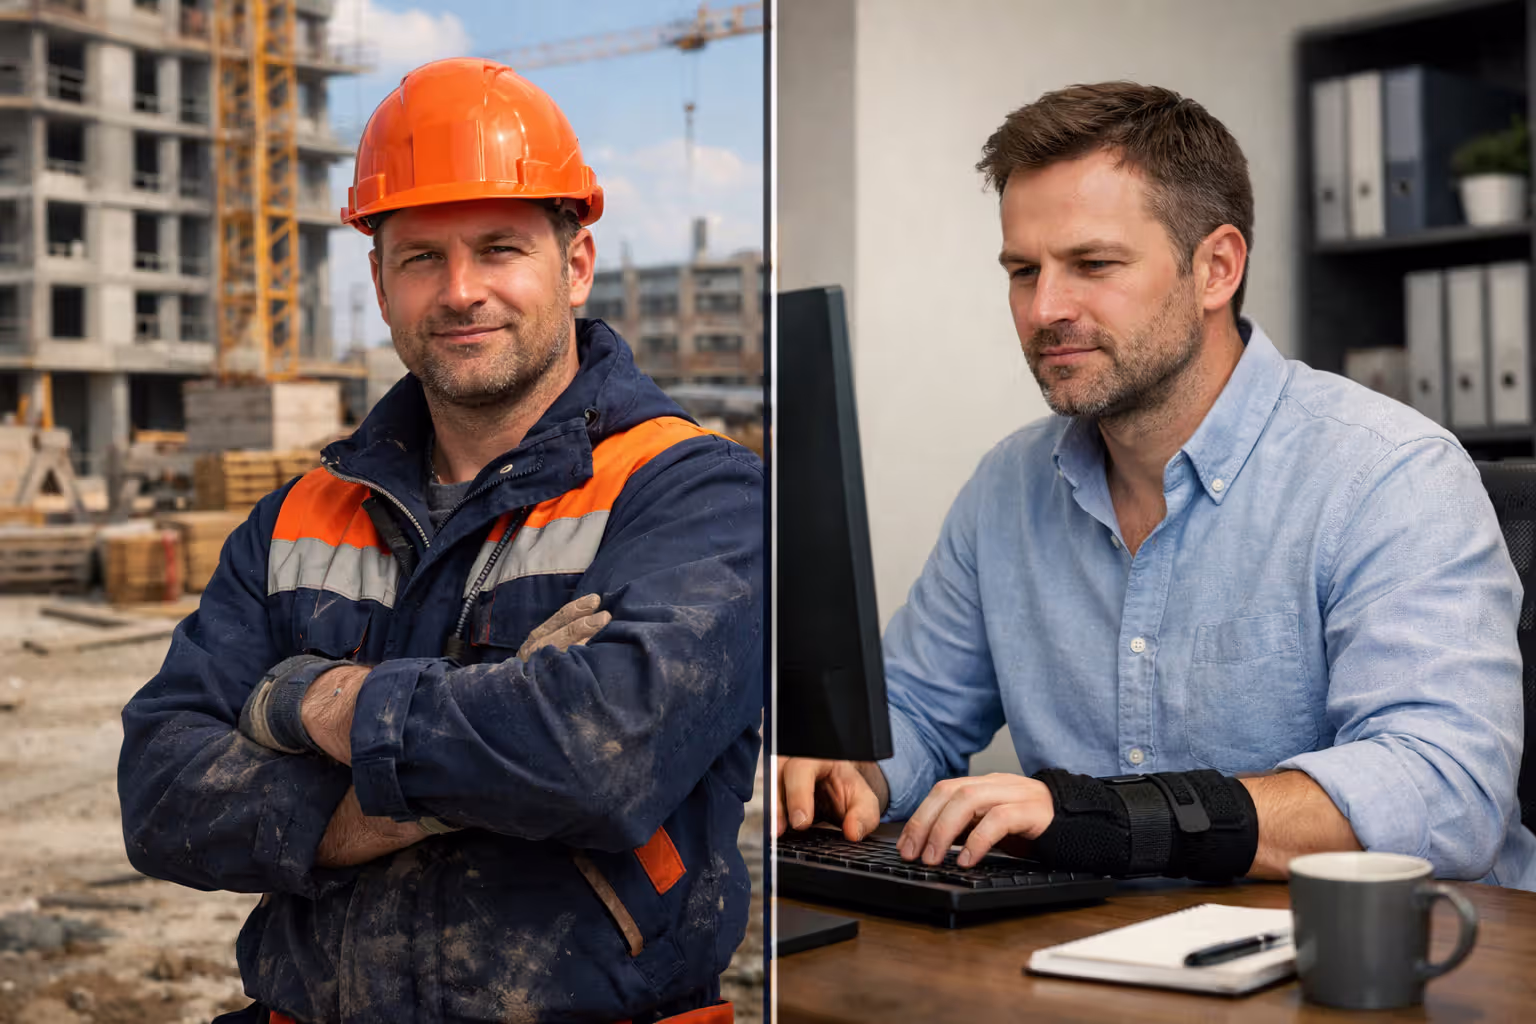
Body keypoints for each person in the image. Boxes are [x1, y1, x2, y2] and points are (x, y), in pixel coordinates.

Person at [119, 58, 762, 1023]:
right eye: (421, 257)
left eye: (499, 248)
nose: (461, 291)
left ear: (574, 263)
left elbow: (597, 762)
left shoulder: (693, 493)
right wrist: (488, 738)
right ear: (379, 283)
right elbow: (163, 795)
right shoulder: (299, 515)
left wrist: (316, 702)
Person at [778, 81, 1536, 890]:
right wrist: (852, 773)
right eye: (1022, 270)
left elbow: (1445, 793)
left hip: (1388, 977)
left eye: (1092, 264)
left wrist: (1113, 822)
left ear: (1216, 268)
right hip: (1100, 960)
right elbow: (919, 713)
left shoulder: (1389, 472)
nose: (1044, 309)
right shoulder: (1008, 487)